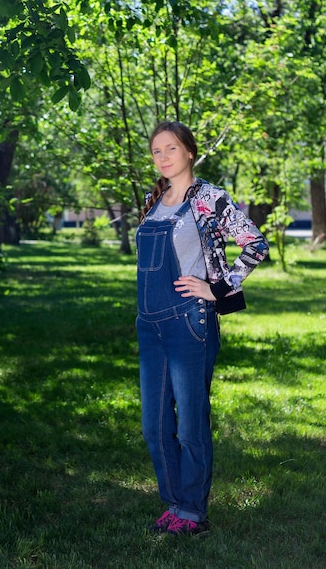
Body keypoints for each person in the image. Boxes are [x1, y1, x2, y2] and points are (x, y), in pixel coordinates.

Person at [136, 120, 269, 536]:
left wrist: (219, 287)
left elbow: (256, 244)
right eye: (156, 151)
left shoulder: (209, 198)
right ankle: (175, 503)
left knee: (191, 424)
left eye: (170, 149)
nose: (163, 158)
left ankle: (192, 513)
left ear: (189, 152)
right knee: (155, 427)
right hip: (150, 328)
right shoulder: (152, 200)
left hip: (190, 323)